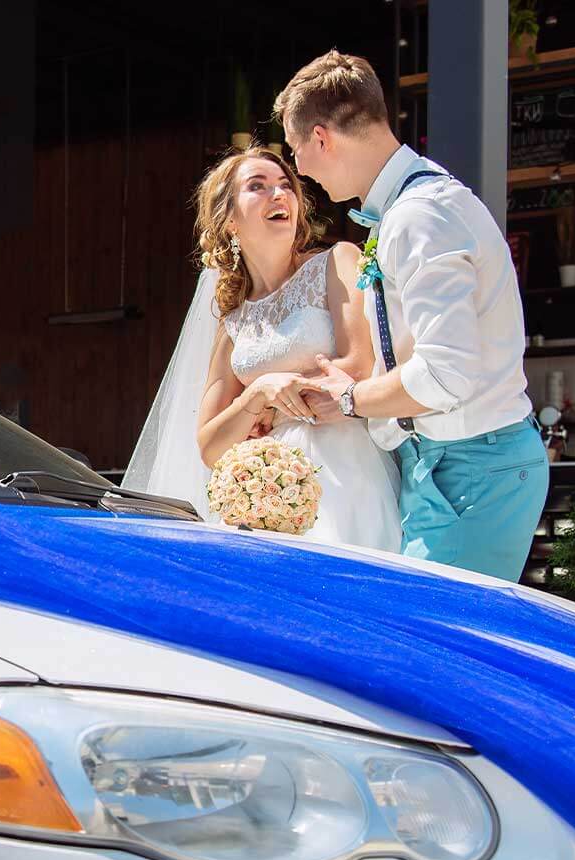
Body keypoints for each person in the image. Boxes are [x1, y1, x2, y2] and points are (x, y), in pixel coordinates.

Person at [279, 51, 549, 582]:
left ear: (322, 138)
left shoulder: (421, 216)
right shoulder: (406, 208)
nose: (300, 169)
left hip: (476, 470)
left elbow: (446, 372)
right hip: (446, 466)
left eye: (296, 151)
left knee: (439, 655)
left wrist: (351, 400)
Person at [125, 144, 402, 551]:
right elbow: (210, 444)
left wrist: (270, 405)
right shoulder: (232, 320)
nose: (280, 194)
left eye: (285, 185)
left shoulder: (336, 262)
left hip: (345, 476)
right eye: (258, 186)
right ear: (230, 221)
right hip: (264, 497)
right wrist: (255, 393)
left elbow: (357, 367)